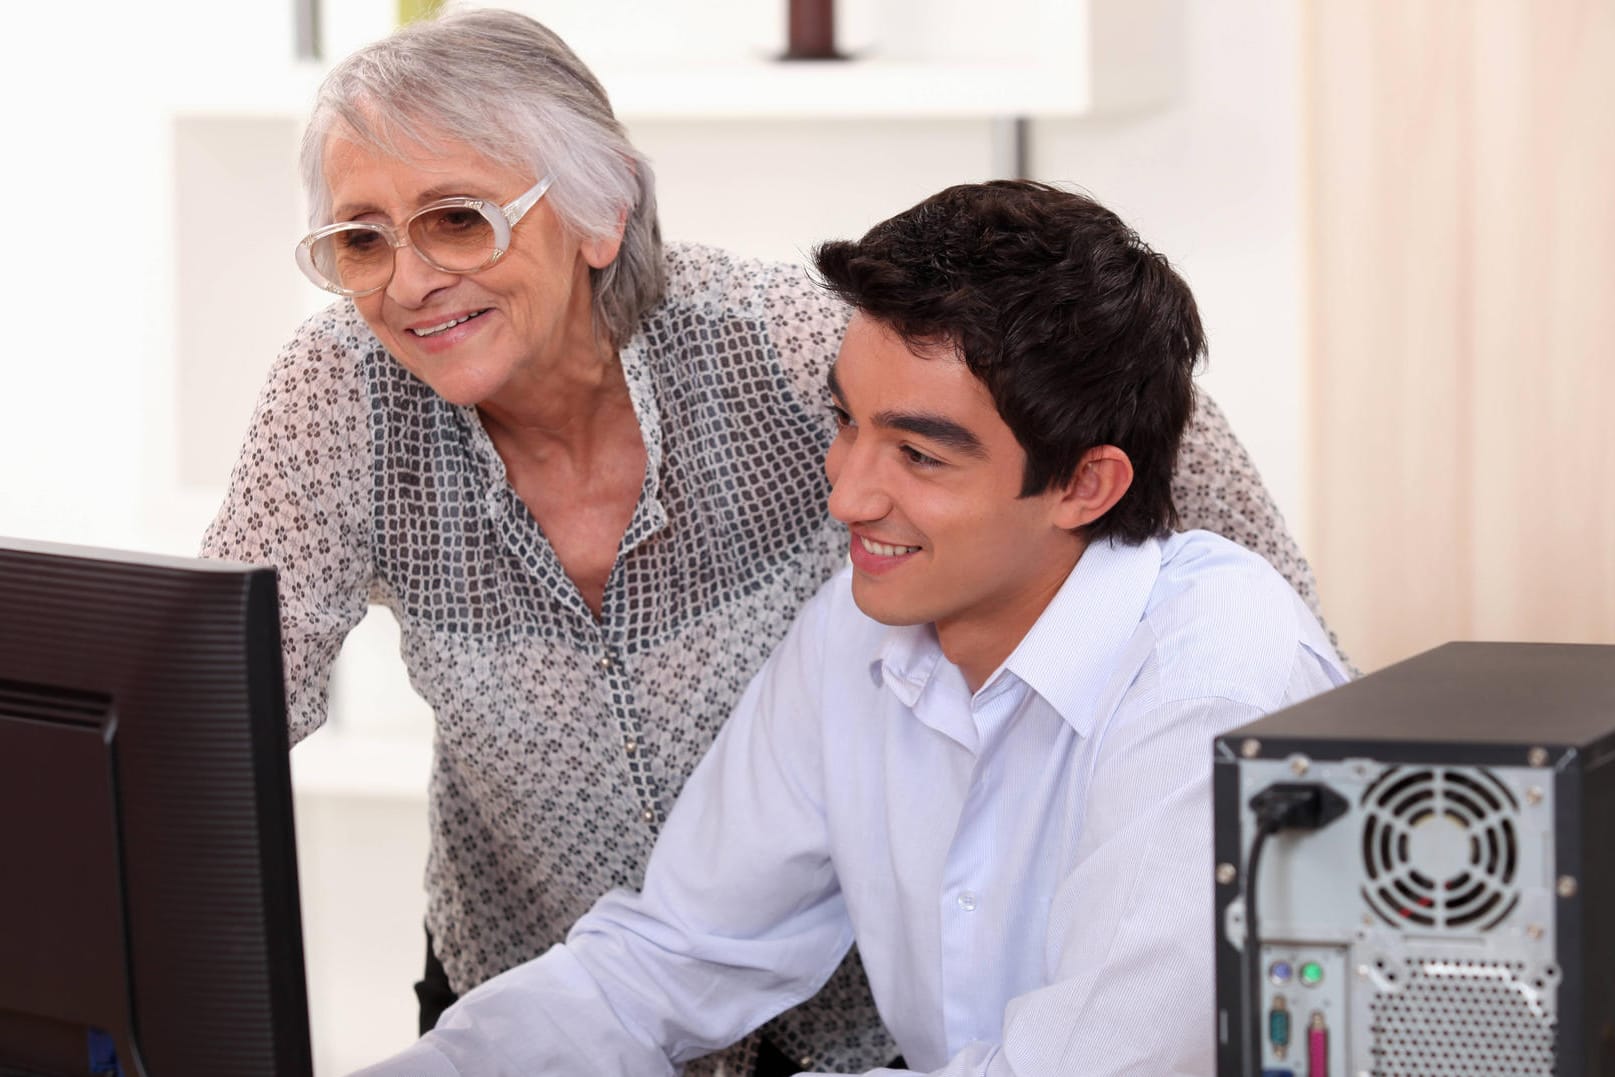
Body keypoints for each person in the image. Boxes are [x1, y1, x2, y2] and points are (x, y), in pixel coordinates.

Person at [201, 11, 1336, 1076]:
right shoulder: (859, 627)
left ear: (601, 213)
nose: (843, 496)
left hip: (846, 1034)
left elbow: (1144, 449)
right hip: (537, 965)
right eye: (358, 239)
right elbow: (667, 957)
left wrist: (1295, 735)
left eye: (458, 218)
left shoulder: (793, 345)